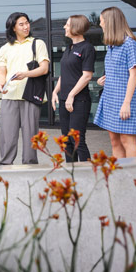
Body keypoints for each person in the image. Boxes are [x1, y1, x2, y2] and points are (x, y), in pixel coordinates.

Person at [0, 12, 50, 165]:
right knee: (7, 135)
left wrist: (25, 74)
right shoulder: (5, 48)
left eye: (27, 23)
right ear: (13, 27)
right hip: (9, 96)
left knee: (30, 135)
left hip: (30, 96)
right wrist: (1, 84)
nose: (26, 26)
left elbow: (44, 69)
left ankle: (30, 165)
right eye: (21, 24)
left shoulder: (37, 44)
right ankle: (5, 165)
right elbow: (2, 72)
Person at [94, 6, 136, 158]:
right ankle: (118, 177)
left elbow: (134, 75)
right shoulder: (111, 46)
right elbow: (118, 71)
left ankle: (134, 177)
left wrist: (126, 103)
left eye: (101, 21)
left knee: (127, 141)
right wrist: (105, 80)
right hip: (110, 99)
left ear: (110, 22)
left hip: (124, 100)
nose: (100, 24)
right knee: (114, 141)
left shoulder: (130, 44)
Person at [51, 15, 95, 162]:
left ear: (76, 27)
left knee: (77, 140)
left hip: (79, 101)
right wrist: (55, 91)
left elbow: (87, 76)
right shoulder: (69, 48)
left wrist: (71, 95)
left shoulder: (87, 48)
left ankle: (89, 173)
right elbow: (64, 74)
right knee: (66, 140)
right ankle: (72, 172)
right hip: (64, 100)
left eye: (67, 25)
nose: (64, 27)